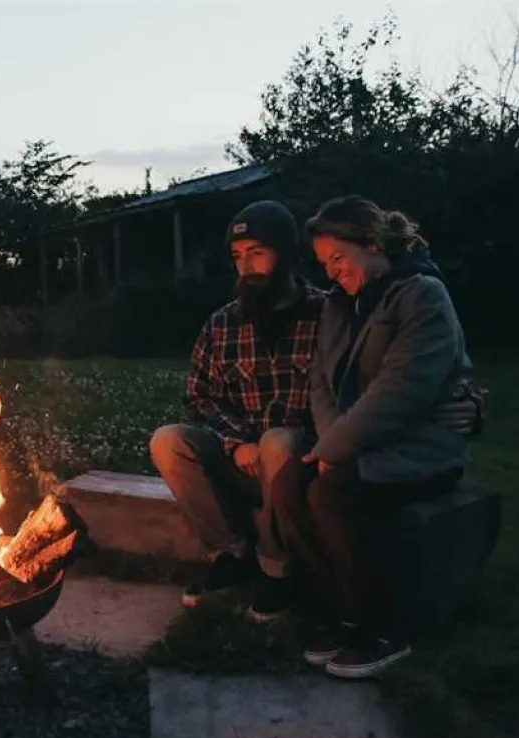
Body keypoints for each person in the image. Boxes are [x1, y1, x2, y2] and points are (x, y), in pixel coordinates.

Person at [149, 200, 485, 623]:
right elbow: (199, 398)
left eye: (257, 252)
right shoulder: (221, 325)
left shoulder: (329, 308)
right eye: (237, 256)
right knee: (168, 440)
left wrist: (469, 401)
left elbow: (395, 373)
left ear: (286, 254)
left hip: (298, 454)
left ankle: (279, 569)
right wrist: (235, 442)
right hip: (245, 456)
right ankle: (229, 555)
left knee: (279, 441)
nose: (245, 266)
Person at [271, 194, 476, 679]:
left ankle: (382, 629)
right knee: (287, 485)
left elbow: (400, 392)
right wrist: (327, 446)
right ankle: (341, 610)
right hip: (355, 442)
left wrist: (333, 452)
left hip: (421, 444)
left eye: (338, 259)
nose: (331, 274)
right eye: (324, 264)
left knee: (333, 493)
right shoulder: (341, 306)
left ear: (371, 242)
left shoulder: (422, 295)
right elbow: (319, 382)